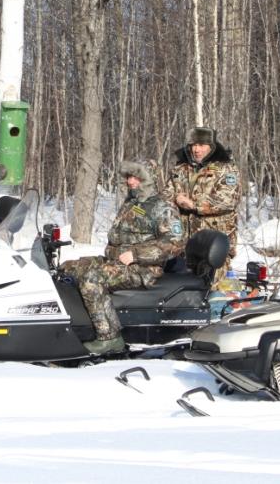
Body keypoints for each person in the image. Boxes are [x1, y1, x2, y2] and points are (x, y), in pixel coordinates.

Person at [62, 159, 185, 355]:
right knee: (69, 267)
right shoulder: (133, 203)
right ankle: (76, 324)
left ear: (148, 179)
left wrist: (136, 254)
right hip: (116, 261)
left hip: (142, 269)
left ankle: (110, 337)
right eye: (129, 177)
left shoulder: (162, 208)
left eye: (136, 177)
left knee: (92, 278)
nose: (131, 181)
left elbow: (175, 243)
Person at [164, 126, 241, 280]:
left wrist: (194, 204)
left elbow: (227, 200)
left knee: (211, 290)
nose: (196, 149)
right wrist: (174, 201)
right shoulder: (181, 168)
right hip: (184, 242)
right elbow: (166, 194)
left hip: (213, 242)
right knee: (185, 292)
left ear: (211, 147)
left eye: (201, 145)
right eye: (193, 145)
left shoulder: (226, 168)